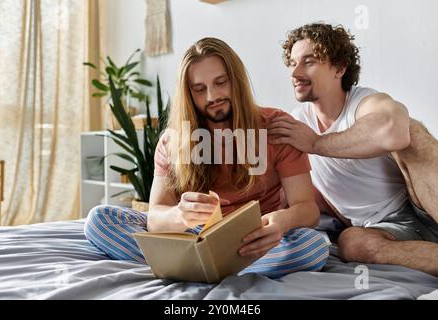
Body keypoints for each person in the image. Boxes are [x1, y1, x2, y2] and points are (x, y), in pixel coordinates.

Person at [84, 37, 329, 279]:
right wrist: (179, 215)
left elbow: (307, 209)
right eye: (199, 89)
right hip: (192, 237)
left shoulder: (276, 127)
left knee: (314, 246)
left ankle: (188, 268)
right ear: (188, 94)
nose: (212, 96)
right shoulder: (173, 141)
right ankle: (217, 267)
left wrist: (281, 222)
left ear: (237, 81)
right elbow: (155, 218)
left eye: (221, 82)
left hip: (254, 240)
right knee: (99, 220)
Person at [268, 22, 438, 276]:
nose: (295, 72)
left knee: (411, 131)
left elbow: (394, 128)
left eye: (309, 61)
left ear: (339, 67)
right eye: (292, 63)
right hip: (387, 229)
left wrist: (316, 143)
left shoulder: (363, 102)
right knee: (351, 244)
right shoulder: (296, 124)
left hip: (422, 203)